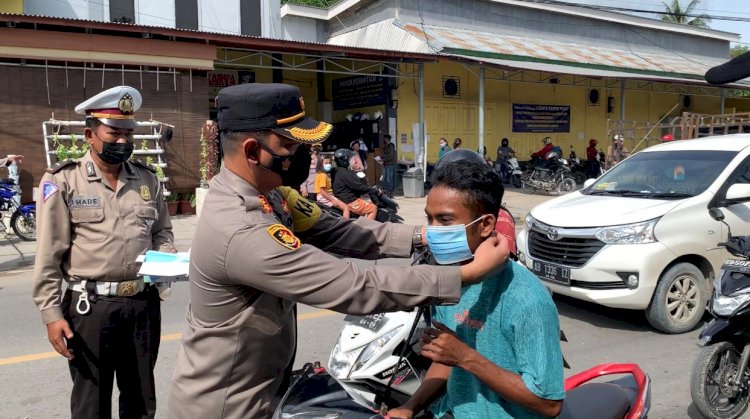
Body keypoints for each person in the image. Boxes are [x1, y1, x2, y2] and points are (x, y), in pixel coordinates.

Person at [167, 83, 509, 419]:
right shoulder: (240, 228)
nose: (302, 156)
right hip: (226, 405)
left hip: (261, 388)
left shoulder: (272, 194)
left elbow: (342, 231)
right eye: (289, 145)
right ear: (253, 151)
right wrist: (465, 274)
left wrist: (429, 236)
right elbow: (351, 283)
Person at [31, 85, 176, 419]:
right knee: (91, 403)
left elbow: (161, 230)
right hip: (89, 308)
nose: (123, 141)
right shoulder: (64, 180)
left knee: (140, 398)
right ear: (90, 135)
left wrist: (165, 258)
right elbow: (48, 254)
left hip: (141, 304)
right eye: (114, 133)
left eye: (129, 134)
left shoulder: (146, 179)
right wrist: (52, 316)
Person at [388, 159, 565, 419]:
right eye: (429, 218)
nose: (432, 231)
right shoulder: (448, 280)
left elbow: (548, 404)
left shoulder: (526, 298)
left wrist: (465, 357)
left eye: (445, 220)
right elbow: (446, 359)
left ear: (485, 225)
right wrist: (410, 407)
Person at [333, 148, 378, 220]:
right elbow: (359, 187)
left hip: (341, 198)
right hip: (349, 201)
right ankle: (366, 229)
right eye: (350, 158)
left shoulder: (337, 171)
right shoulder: (346, 173)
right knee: (373, 208)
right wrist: (373, 190)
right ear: (345, 160)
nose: (352, 161)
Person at [315, 154, 350, 219]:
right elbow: (322, 191)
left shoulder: (321, 174)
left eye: (329, 163)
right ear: (321, 164)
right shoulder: (323, 175)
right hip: (325, 197)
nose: (328, 165)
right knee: (346, 208)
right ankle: (345, 225)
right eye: (326, 163)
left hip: (326, 196)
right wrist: (332, 200)